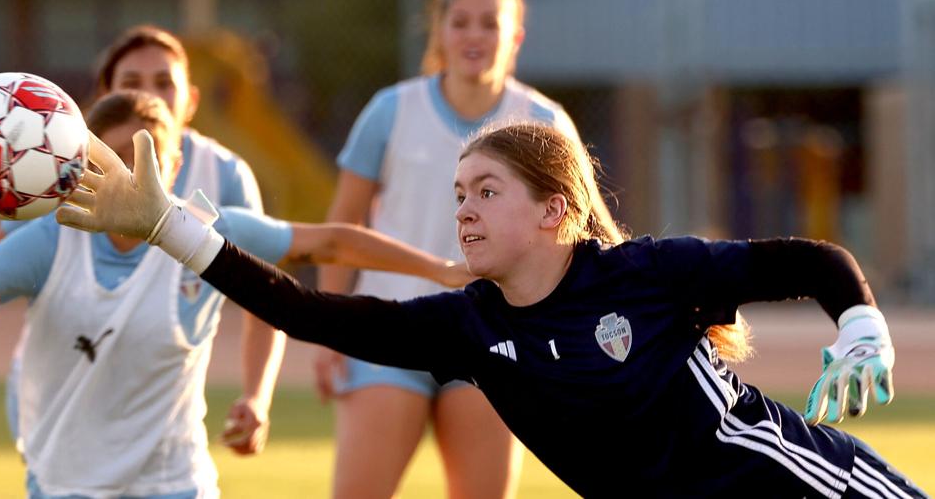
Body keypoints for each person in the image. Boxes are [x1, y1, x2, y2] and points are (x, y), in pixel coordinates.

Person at [59, 122, 926, 498]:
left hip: (797, 489)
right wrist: (168, 226)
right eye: (458, 194)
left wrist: (859, 323)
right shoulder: (468, 326)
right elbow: (303, 310)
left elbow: (815, 260)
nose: (463, 209)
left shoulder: (646, 275)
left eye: (486, 191)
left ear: (555, 210)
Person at [0, 91, 476, 498]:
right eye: (115, 155)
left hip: (174, 480)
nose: (133, 168)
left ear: (176, 163)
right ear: (84, 164)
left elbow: (328, 242)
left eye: (150, 153)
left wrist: (442, 269)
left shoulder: (206, 229)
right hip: (68, 478)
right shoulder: (50, 239)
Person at [0, 25, 278, 456]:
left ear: (190, 100)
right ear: (107, 97)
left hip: (156, 408)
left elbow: (262, 292)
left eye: (164, 82)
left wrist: (257, 396)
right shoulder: (57, 165)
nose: (151, 94)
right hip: (58, 395)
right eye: (133, 83)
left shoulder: (225, 175)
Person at [315, 0, 604, 496]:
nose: (475, 35)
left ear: (515, 38)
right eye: (461, 21)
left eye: (491, 23)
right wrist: (331, 332)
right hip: (393, 322)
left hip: (494, 336)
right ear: (440, 33)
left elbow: (590, 230)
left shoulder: (544, 121)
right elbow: (343, 224)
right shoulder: (391, 110)